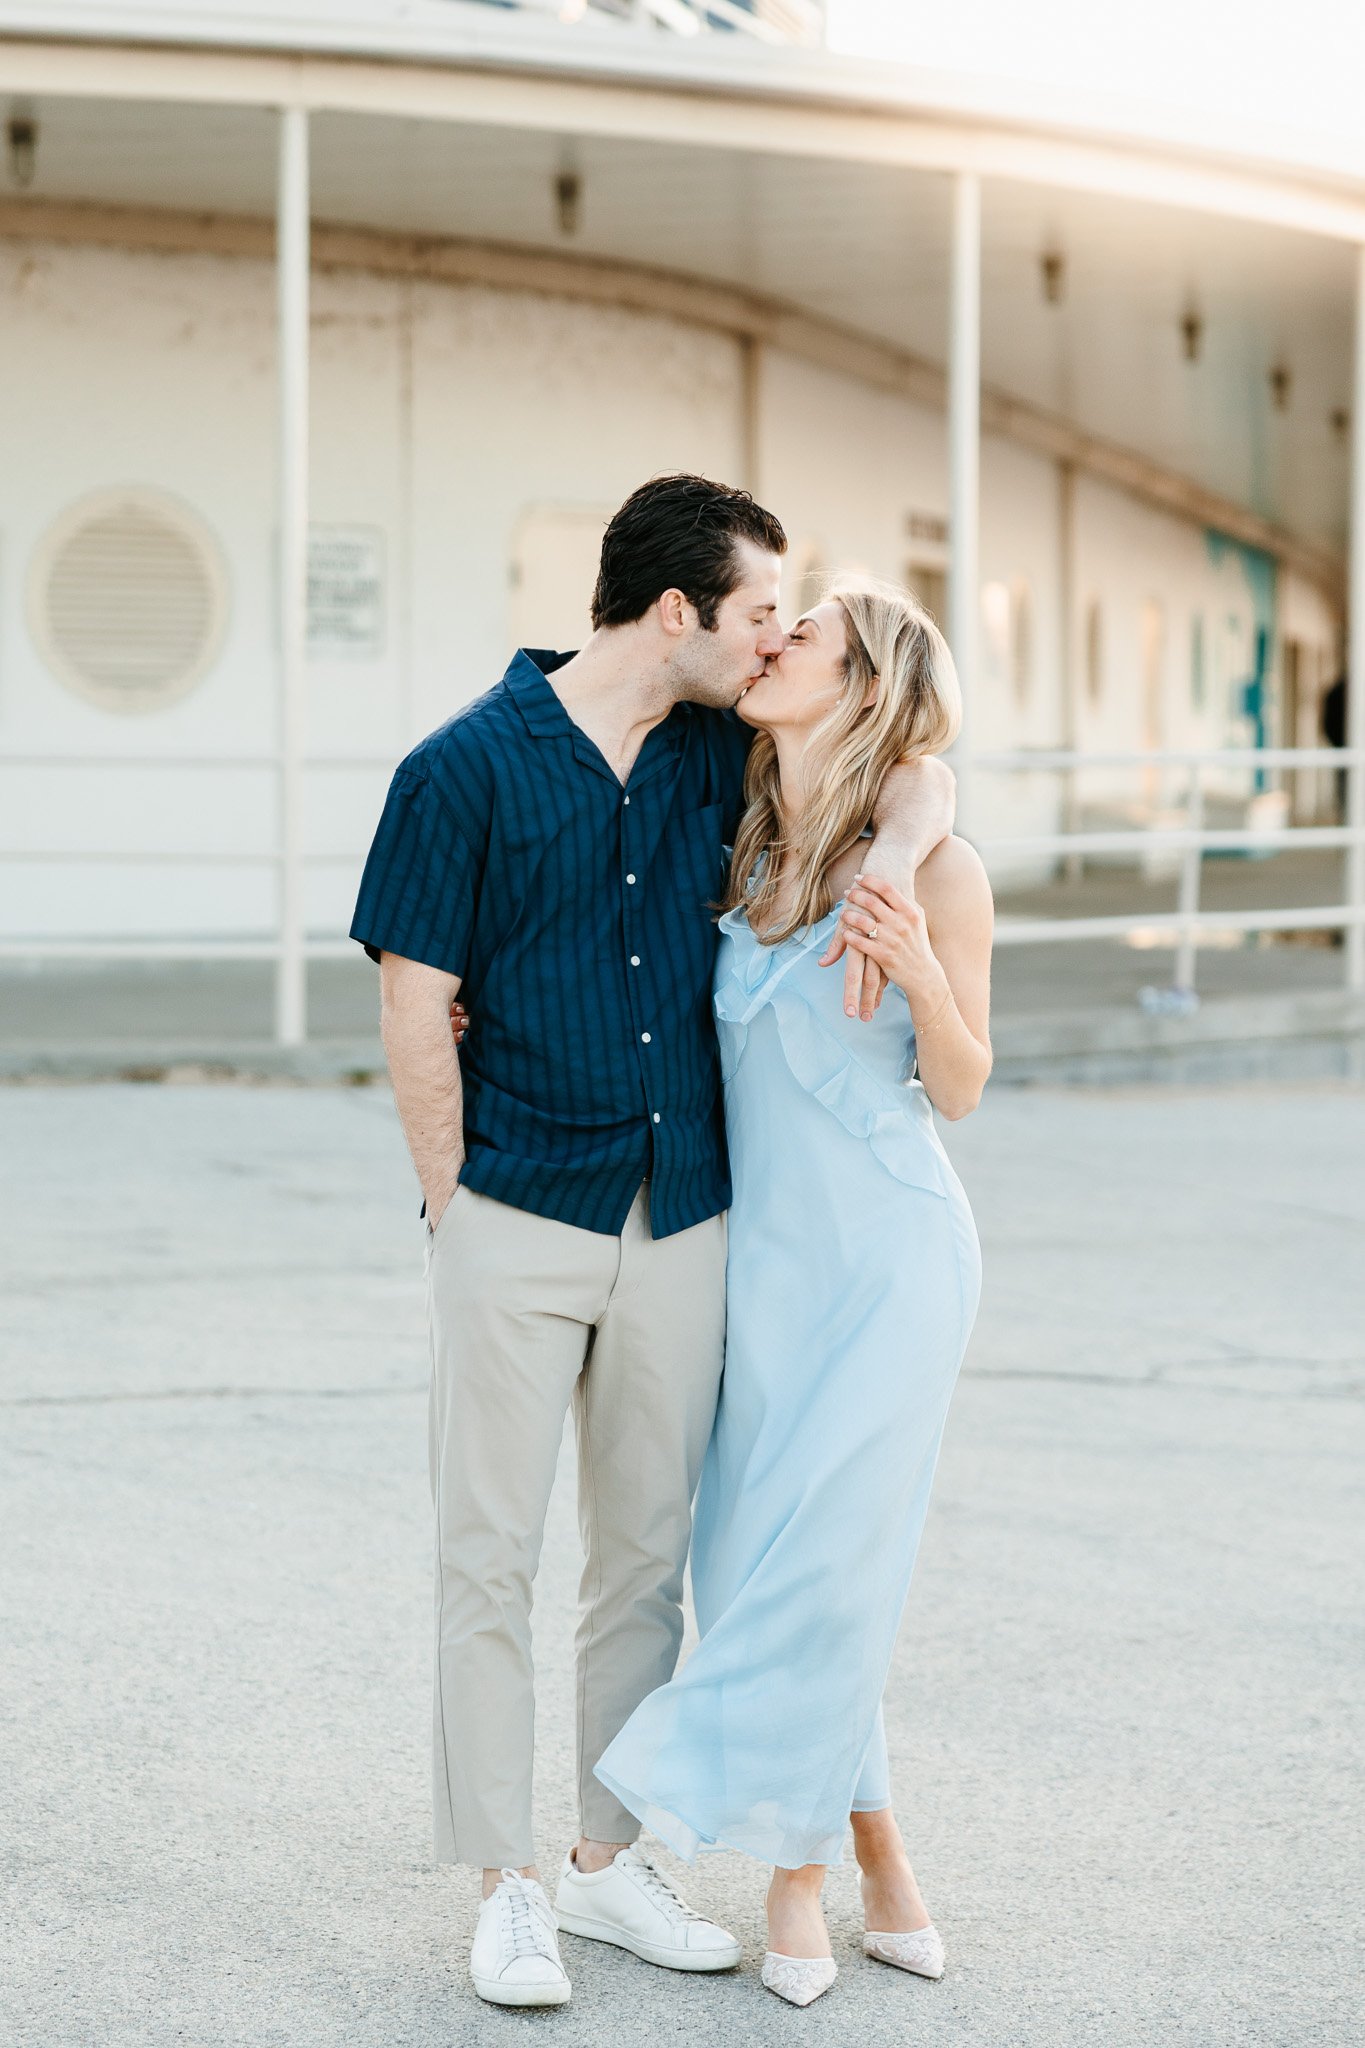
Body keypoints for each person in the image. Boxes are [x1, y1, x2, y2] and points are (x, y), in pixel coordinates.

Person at [349, 476, 956, 2008]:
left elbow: (903, 769)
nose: (773, 641)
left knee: (643, 1568)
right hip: (515, 1211)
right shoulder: (459, 769)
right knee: (485, 1558)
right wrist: (451, 1206)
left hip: (684, 1224)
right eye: (758, 612)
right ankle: (507, 1890)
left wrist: (900, 850)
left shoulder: (713, 761)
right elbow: (414, 1000)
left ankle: (609, 1866)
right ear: (677, 612)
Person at [594, 575, 992, 2007]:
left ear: (867, 676)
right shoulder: (740, 844)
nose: (771, 644)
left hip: (889, 1264)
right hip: (756, 1274)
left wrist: (921, 984)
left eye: (803, 632)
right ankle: (886, 1861)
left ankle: (795, 1875)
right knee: (769, 1572)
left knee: (824, 1569)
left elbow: (961, 1084)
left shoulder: (937, 872)